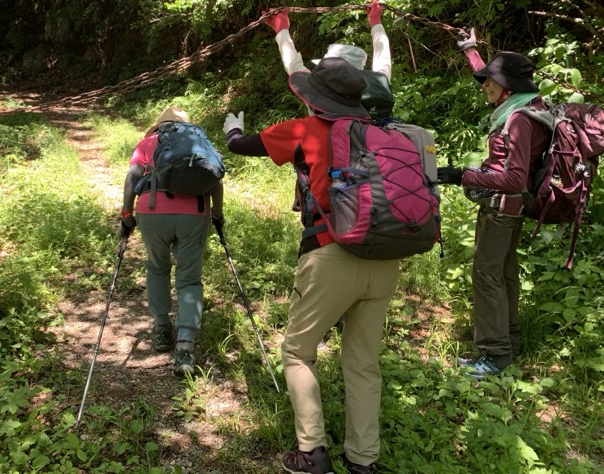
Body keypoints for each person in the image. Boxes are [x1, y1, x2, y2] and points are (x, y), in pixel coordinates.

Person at [223, 60, 398, 474]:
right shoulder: (383, 132)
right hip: (386, 258)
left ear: (316, 97)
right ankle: (363, 461)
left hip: (330, 255)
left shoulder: (306, 129)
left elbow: (241, 145)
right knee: (363, 363)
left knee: (298, 352)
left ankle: (312, 453)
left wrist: (232, 126)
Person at [436, 28, 550, 378]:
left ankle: (494, 354)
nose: (484, 85)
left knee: (487, 276)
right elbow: (487, 78)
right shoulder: (527, 105)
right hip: (511, 209)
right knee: (504, 274)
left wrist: (460, 175)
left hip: (502, 209)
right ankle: (510, 342)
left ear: (508, 88)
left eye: (491, 82)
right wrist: (470, 50)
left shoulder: (517, 121)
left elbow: (514, 178)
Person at [119, 106, 224, 376]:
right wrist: (217, 215)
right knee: (189, 278)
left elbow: (132, 177)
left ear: (158, 126)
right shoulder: (197, 143)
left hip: (152, 212)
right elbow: (215, 180)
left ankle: (161, 329)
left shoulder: (147, 143)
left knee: (157, 267)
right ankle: (186, 346)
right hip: (194, 215)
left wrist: (127, 214)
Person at [263, 0, 393, 119]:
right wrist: (376, 22)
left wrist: (281, 29)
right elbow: (383, 57)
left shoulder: (319, 91)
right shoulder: (377, 87)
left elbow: (292, 64)